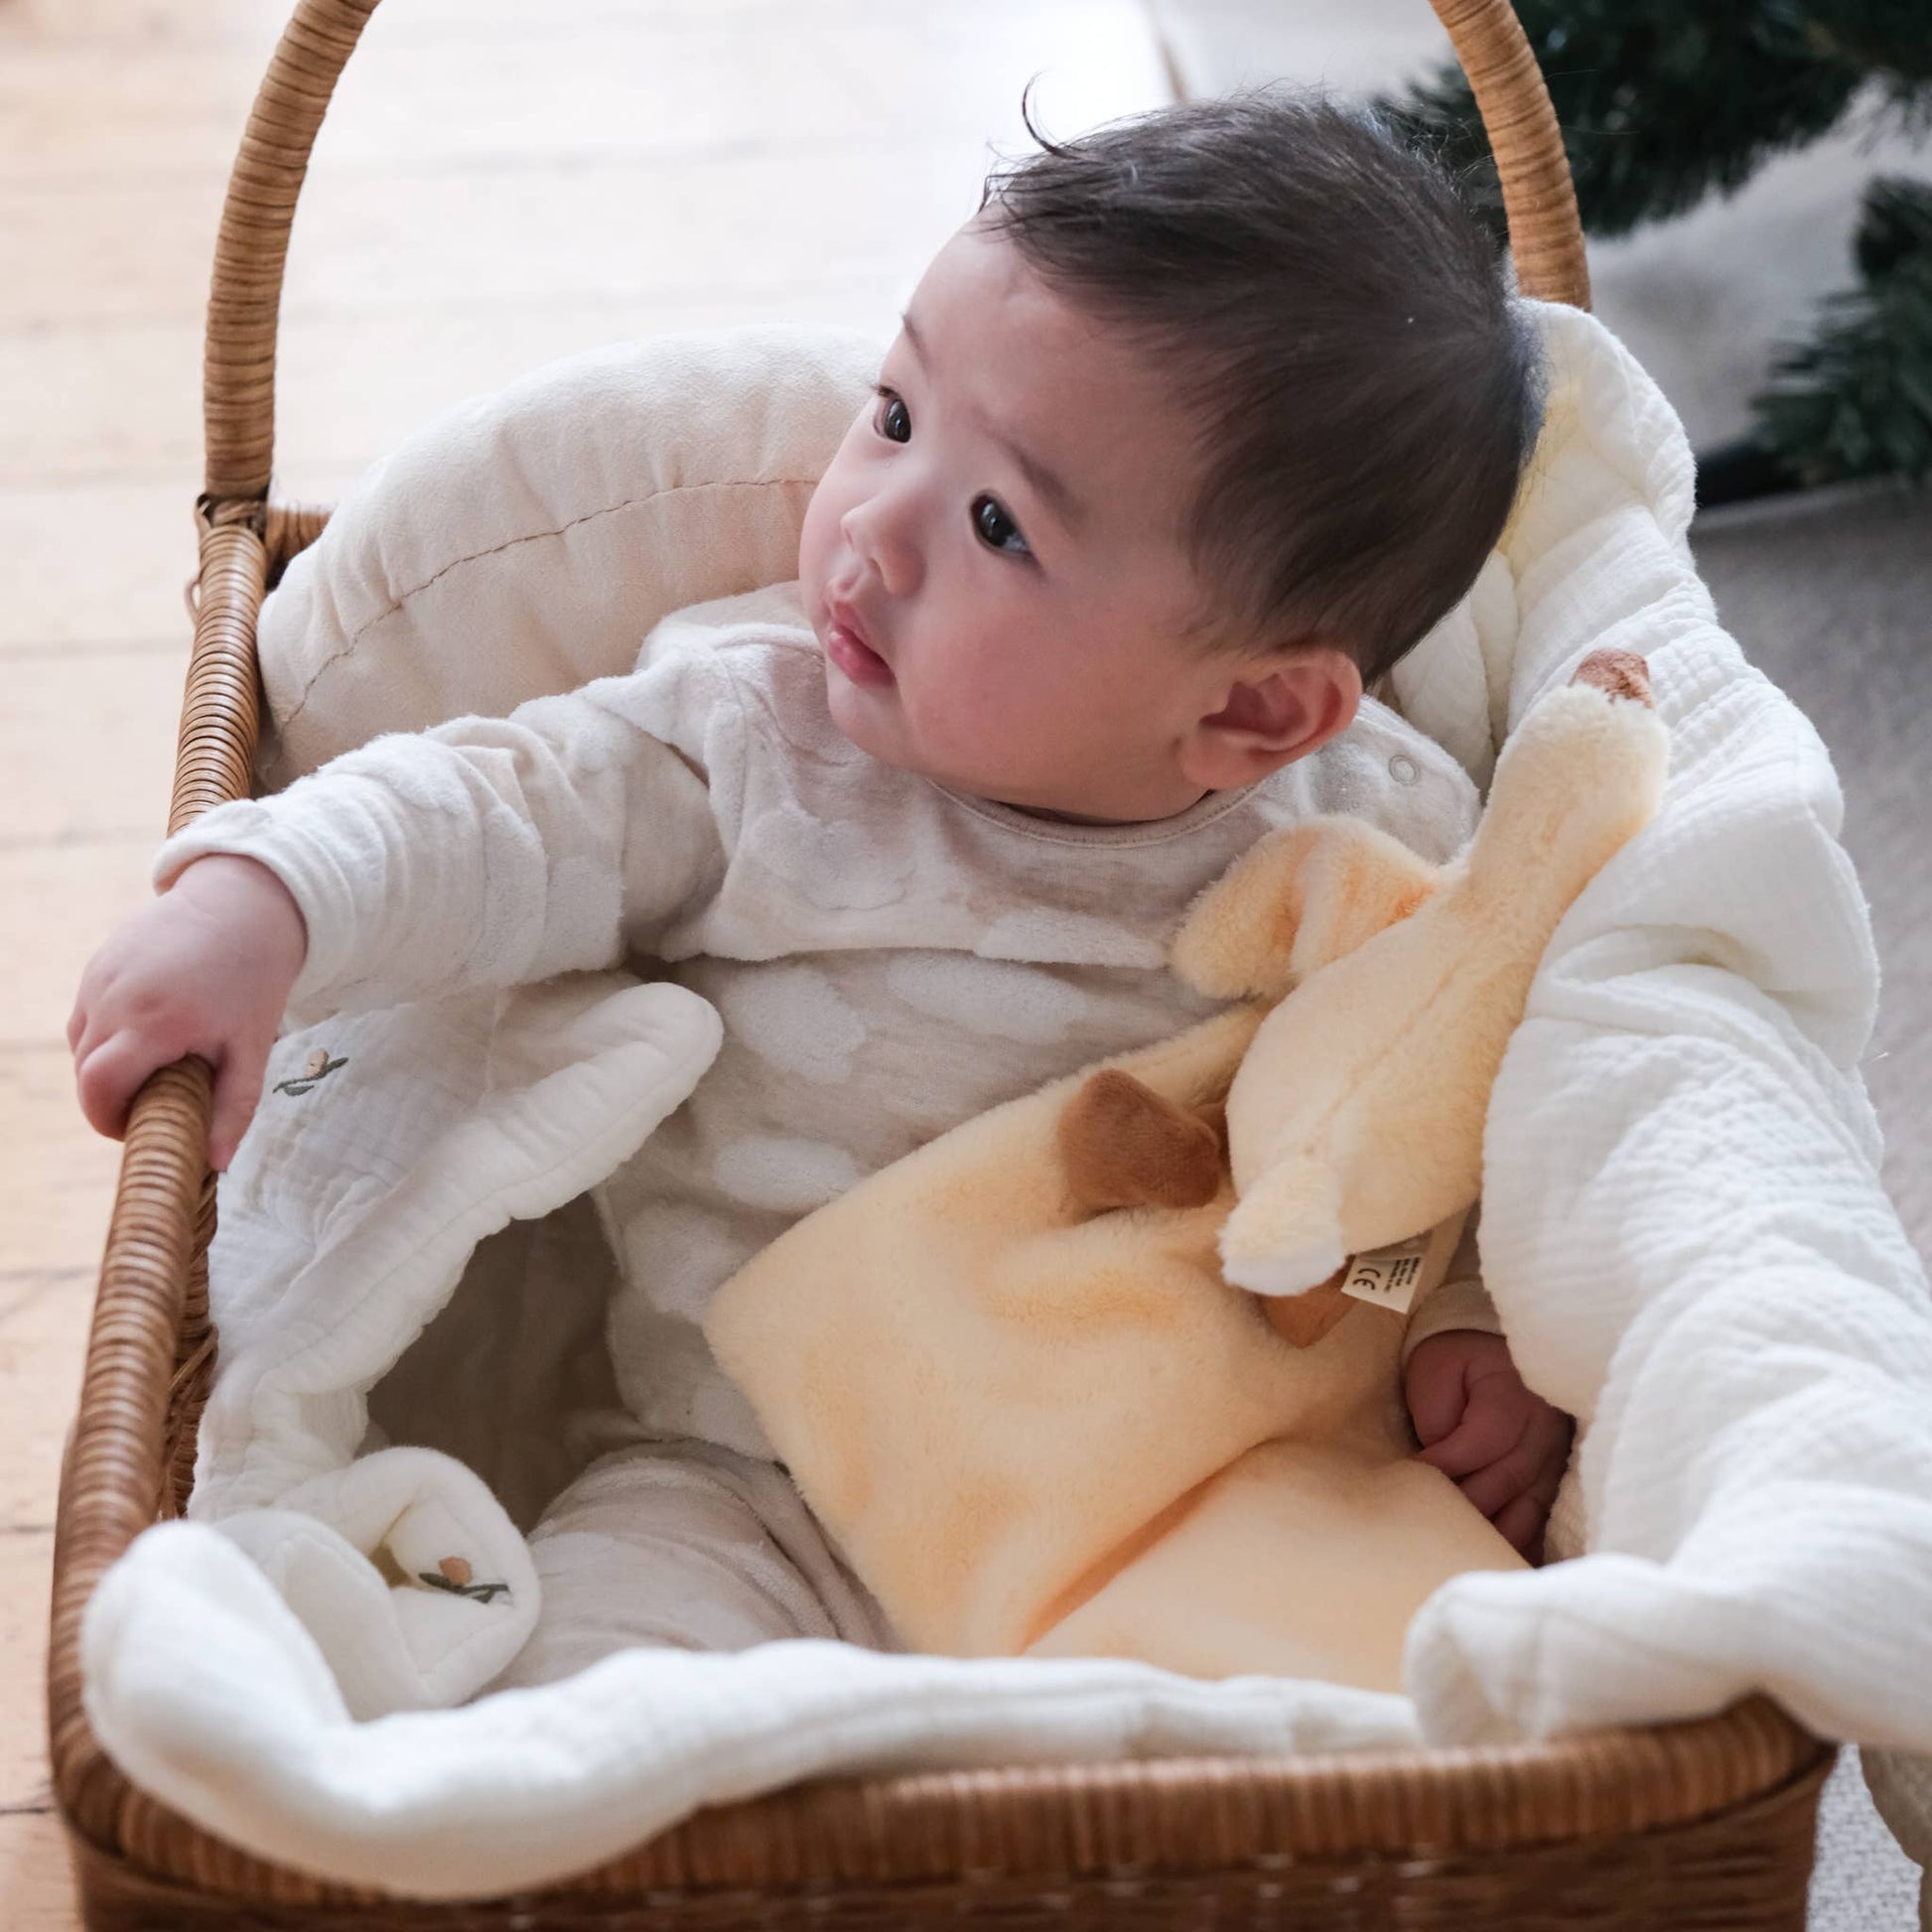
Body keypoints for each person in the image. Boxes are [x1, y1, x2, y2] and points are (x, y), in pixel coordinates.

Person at [67, 87, 1574, 1679]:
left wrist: (1462, 1314)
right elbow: (501, 811)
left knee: (1384, 1701)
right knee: (587, 1703)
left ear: (1254, 710)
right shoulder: (754, 746)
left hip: (1177, 1487)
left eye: (996, 525)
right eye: (895, 415)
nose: (871, 531)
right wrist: (273, 897)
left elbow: (1419, 1143)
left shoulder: (1374, 847)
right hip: (744, 1487)